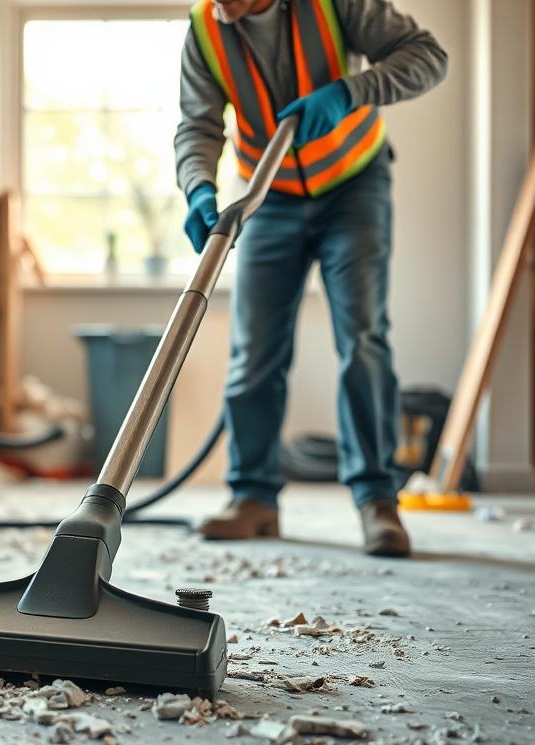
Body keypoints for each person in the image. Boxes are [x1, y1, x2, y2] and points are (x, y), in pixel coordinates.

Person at [175, 0, 447, 556]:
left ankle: (377, 500)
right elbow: (197, 125)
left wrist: (351, 91)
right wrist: (199, 186)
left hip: (353, 184)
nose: (220, 5)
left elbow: (429, 57)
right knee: (254, 351)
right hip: (267, 194)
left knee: (362, 338)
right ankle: (253, 499)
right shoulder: (205, 28)